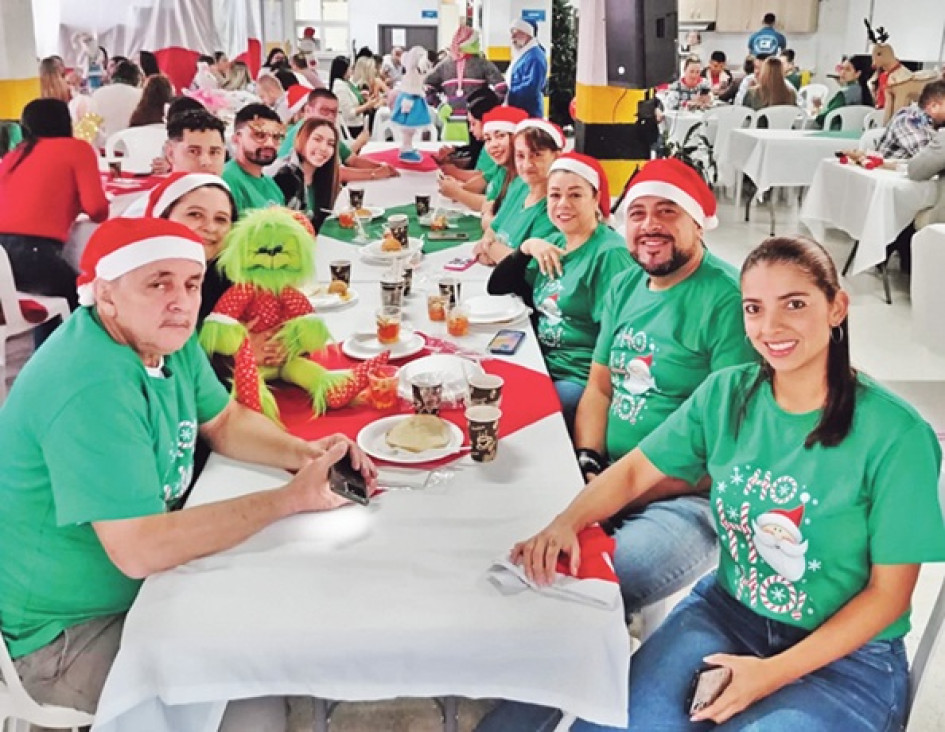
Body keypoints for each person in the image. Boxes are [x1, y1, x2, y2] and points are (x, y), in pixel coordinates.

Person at [492, 236, 945, 732]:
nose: (771, 327)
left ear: (837, 306)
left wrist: (770, 675)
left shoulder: (896, 435)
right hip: (727, 616)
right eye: (754, 308)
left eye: (794, 304)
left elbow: (889, 597)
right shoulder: (729, 392)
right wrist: (567, 521)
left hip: (846, 661)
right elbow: (637, 470)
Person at [0, 216, 378, 730]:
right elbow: (139, 549)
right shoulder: (90, 386)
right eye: (158, 283)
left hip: (138, 583)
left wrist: (305, 454)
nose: (180, 300)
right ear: (105, 295)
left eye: (191, 283)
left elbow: (222, 419)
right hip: (62, 635)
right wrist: (287, 500)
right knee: (255, 685)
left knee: (281, 611)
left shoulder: (163, 340)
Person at [487, 153, 634, 431]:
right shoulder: (554, 241)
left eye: (575, 195)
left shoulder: (610, 254)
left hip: (579, 376)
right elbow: (498, 287)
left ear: (595, 198)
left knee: (512, 415)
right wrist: (526, 247)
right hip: (539, 357)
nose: (563, 204)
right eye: (555, 195)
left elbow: (619, 338)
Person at [0, 99, 108, 343]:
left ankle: (45, 357)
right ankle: (66, 363)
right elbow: (98, 210)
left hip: (4, 260)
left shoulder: (15, 155)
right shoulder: (76, 149)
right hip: (33, 254)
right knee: (86, 301)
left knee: (59, 301)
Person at [144, 172, 237, 323]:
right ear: (163, 217)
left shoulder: (234, 282)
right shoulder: (140, 282)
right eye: (195, 214)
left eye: (221, 219)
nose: (211, 228)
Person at [473, 118, 562, 266]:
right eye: (520, 156)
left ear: (556, 156)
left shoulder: (555, 205)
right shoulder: (519, 185)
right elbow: (492, 228)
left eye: (537, 155)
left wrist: (489, 249)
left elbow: (526, 265)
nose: (527, 164)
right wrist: (493, 248)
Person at [276, 88, 397, 183]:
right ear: (308, 110)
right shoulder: (301, 133)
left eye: (334, 112)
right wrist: (375, 174)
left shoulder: (327, 132)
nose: (329, 116)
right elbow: (334, 174)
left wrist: (383, 168)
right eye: (324, 110)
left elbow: (352, 160)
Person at [437, 89, 505, 211]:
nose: (470, 129)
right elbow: (484, 178)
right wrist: (458, 189)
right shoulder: (500, 164)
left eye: (473, 124)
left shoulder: (508, 166)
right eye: (488, 139)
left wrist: (457, 190)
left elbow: (492, 205)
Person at [425, 26, 507, 121]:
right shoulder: (482, 64)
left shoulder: (444, 65)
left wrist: (439, 105)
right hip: (473, 120)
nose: (479, 44)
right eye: (476, 41)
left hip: (455, 118)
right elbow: (502, 88)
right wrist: (489, 106)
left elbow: (427, 87)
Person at [273, 117, 340, 231]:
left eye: (330, 144)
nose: (324, 148)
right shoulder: (285, 177)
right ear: (303, 139)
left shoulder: (324, 178)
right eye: (317, 139)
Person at [221, 103, 287, 214]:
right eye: (260, 135)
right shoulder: (226, 179)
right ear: (237, 138)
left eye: (276, 137)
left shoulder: (273, 187)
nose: (270, 144)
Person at [877, 81, 945, 160]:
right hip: (887, 171)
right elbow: (930, 160)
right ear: (934, 106)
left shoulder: (937, 122)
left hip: (913, 171)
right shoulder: (907, 120)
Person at [814, 56, 873, 128]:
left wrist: (818, 110)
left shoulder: (844, 95)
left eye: (847, 70)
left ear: (858, 73)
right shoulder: (867, 93)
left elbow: (822, 119)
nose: (842, 72)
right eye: (842, 68)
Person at [90, 60, 143, 139]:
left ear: (113, 76)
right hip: (132, 146)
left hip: (104, 146)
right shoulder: (141, 95)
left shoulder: (97, 93)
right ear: (138, 80)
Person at [507, 20, 547, 118]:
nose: (512, 38)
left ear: (527, 34)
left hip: (528, 112)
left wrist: (508, 94)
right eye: (512, 34)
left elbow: (530, 88)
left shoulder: (535, 57)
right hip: (521, 110)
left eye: (516, 34)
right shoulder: (524, 54)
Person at [330, 56, 377, 138]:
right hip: (351, 127)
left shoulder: (347, 83)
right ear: (343, 70)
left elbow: (351, 99)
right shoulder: (340, 87)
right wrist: (367, 106)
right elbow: (349, 113)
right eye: (350, 69)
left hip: (358, 124)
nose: (352, 71)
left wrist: (359, 96)